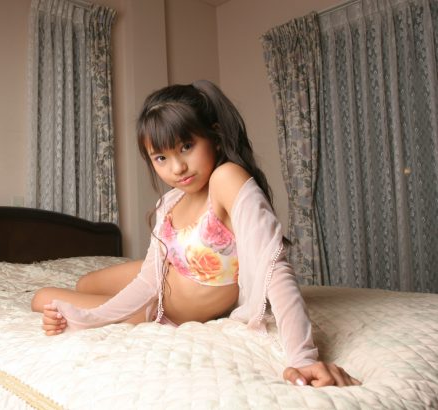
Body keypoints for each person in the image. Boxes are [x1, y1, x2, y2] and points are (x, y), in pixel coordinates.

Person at [31, 80, 360, 387]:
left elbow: (272, 264)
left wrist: (303, 358)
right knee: (84, 283)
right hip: (160, 283)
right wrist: (93, 316)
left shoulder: (226, 179)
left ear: (214, 135)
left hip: (160, 310)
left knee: (43, 299)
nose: (177, 168)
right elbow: (148, 281)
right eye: (161, 157)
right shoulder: (169, 202)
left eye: (186, 146)